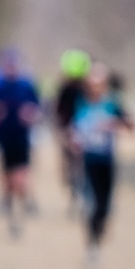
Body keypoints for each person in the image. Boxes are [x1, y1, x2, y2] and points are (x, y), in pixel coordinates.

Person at [71, 64, 133, 266]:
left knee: (105, 207)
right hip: (88, 161)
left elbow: (130, 125)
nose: (96, 87)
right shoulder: (80, 104)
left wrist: (113, 123)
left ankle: (98, 234)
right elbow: (71, 130)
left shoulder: (112, 104)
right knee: (92, 204)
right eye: (93, 83)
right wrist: (74, 140)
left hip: (107, 160)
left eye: (100, 83)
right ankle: (91, 246)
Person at [0, 48, 42, 233]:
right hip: (4, 137)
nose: (11, 68)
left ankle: (21, 206)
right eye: (8, 65)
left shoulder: (27, 86)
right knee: (6, 173)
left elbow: (37, 109)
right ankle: (8, 201)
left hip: (22, 137)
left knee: (20, 176)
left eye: (14, 64)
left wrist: (30, 115)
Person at [54, 49, 91, 214]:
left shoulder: (88, 89)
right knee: (71, 166)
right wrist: (64, 133)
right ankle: (75, 195)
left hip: (86, 132)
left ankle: (81, 194)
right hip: (69, 131)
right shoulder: (65, 90)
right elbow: (59, 113)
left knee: (81, 165)